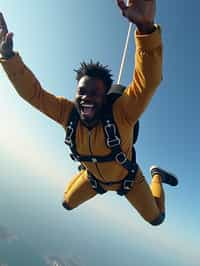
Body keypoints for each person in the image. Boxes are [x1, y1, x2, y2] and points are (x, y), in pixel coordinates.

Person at [0, 0, 178, 226]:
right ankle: (86, 166)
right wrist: (8, 57)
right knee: (67, 202)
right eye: (82, 91)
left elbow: (148, 81)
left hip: (128, 179)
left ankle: (157, 176)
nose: (87, 97)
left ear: (105, 99)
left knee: (157, 218)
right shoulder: (68, 114)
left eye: (95, 93)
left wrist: (145, 29)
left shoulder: (122, 113)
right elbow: (34, 95)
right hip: (95, 178)